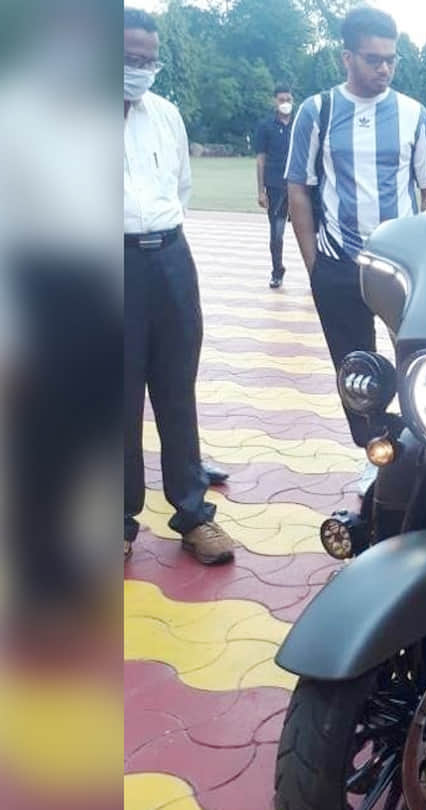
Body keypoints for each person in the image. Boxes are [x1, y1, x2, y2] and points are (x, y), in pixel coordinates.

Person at [285, 6, 426, 497]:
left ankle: (424, 449)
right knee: (355, 369)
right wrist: (314, 264)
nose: (384, 68)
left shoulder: (414, 114)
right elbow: (298, 188)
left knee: (418, 359)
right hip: (338, 265)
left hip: (400, 268)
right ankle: (376, 451)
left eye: (391, 59)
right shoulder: (317, 111)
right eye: (374, 59)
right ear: (347, 58)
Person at [124, 8, 238, 564]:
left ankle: (193, 514)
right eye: (129, 58)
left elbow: (181, 188)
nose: (140, 69)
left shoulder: (166, 115)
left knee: (176, 388)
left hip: (170, 259)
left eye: (149, 60)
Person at [254, 83, 294, 288]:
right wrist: (261, 191)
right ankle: (277, 271)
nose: (285, 103)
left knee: (311, 232)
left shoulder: (300, 123)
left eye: (288, 99)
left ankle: (315, 273)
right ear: (274, 102)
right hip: (276, 187)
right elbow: (261, 159)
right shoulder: (265, 126)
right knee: (277, 234)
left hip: (299, 187)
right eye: (281, 100)